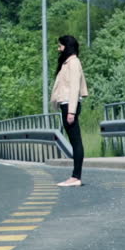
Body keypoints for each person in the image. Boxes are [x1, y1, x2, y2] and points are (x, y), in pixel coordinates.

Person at [50, 35, 89, 187]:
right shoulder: (68, 63)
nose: (58, 49)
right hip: (66, 105)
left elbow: (74, 88)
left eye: (60, 46)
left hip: (69, 105)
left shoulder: (73, 63)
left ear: (67, 46)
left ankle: (76, 176)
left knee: (76, 141)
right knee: (74, 141)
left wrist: (71, 112)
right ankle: (75, 176)